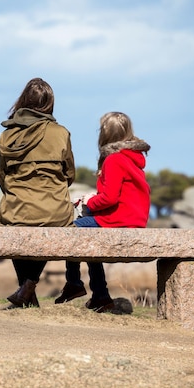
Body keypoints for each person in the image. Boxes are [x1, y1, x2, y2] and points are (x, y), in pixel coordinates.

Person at [54, 111, 151, 312]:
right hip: (134, 218)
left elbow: (109, 198)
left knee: (70, 230)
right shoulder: (132, 158)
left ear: (105, 134)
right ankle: (100, 295)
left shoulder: (114, 160)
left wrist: (88, 202)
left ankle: (74, 283)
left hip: (118, 219)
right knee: (88, 235)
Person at [0, 77, 76, 308]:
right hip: (55, 211)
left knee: (16, 222)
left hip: (18, 209)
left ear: (22, 101)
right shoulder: (61, 133)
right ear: (50, 103)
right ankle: (28, 289)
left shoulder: (6, 136)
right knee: (47, 218)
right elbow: (70, 174)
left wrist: (20, 194)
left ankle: (26, 293)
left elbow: (1, 176)